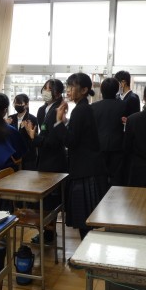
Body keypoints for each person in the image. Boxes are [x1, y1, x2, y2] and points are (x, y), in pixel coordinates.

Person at [51, 73, 107, 239]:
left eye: (72, 87)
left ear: (84, 90)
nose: (68, 90)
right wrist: (65, 122)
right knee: (87, 220)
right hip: (88, 168)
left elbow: (71, 141)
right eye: (68, 86)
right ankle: (86, 251)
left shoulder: (80, 110)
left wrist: (58, 122)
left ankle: (86, 252)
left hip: (85, 171)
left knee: (85, 220)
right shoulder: (84, 108)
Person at [25, 79, 67, 243]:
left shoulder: (59, 110)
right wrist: (34, 136)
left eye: (48, 89)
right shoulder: (42, 109)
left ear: (57, 93)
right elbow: (43, 133)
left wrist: (34, 137)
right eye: (44, 89)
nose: (45, 92)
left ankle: (49, 235)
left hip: (54, 161)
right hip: (42, 159)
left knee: (50, 201)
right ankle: (46, 232)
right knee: (42, 200)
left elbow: (54, 142)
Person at [91, 77, 126, 186]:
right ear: (117, 90)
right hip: (118, 146)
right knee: (116, 178)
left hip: (99, 146)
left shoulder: (93, 107)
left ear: (101, 90)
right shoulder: (123, 105)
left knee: (100, 177)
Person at [7, 93, 38, 170]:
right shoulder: (10, 118)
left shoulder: (32, 119)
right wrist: (5, 125)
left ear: (26, 104)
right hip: (13, 156)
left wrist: (26, 130)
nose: (17, 105)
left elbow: (34, 139)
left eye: (19, 103)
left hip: (28, 156)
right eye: (15, 102)